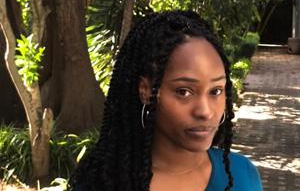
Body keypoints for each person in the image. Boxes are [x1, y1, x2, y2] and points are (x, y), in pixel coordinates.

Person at [70, 10, 263, 191]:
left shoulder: (242, 176)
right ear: (145, 90)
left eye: (215, 91)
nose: (205, 111)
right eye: (184, 92)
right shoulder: (105, 181)